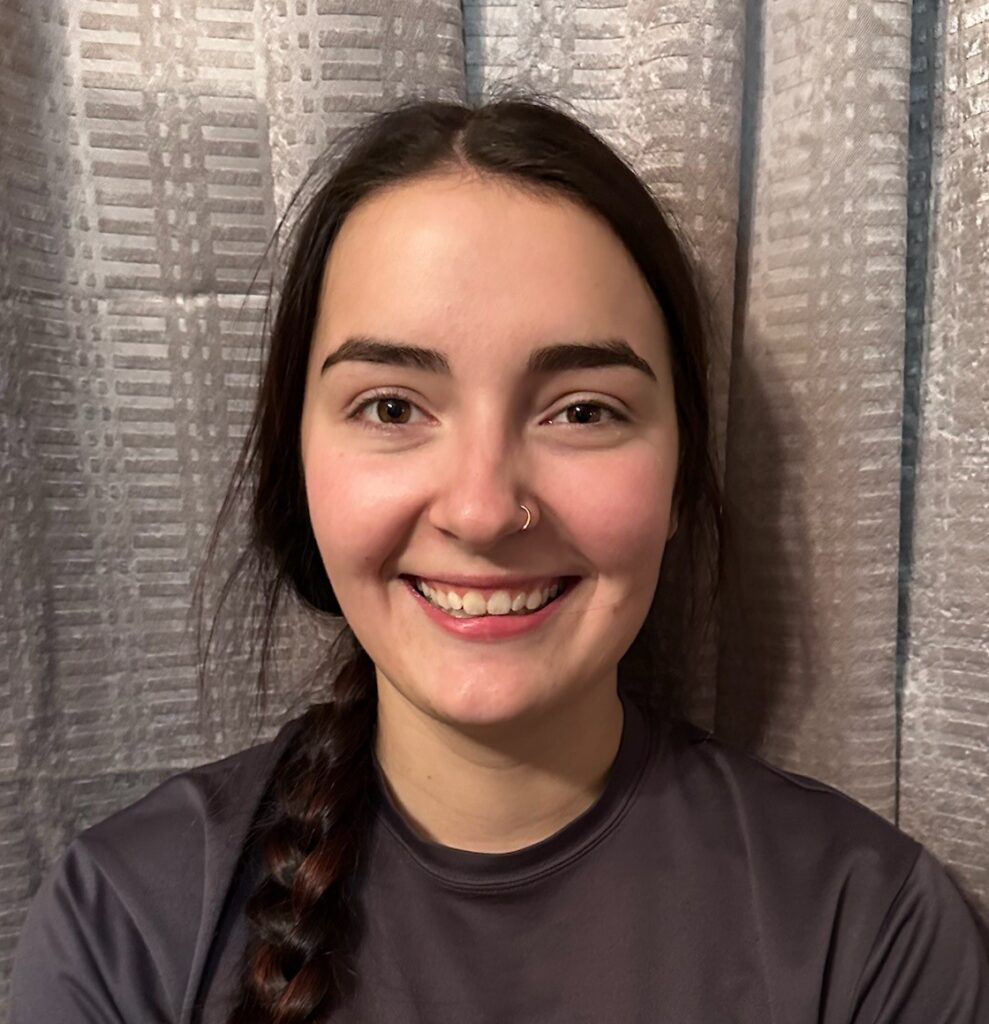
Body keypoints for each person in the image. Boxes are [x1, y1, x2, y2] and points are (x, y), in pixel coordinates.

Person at [10, 93, 989, 1024]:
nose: (481, 510)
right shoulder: (124, 928)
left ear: (681, 480)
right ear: (295, 462)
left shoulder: (868, 933)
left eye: (582, 411)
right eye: (391, 406)